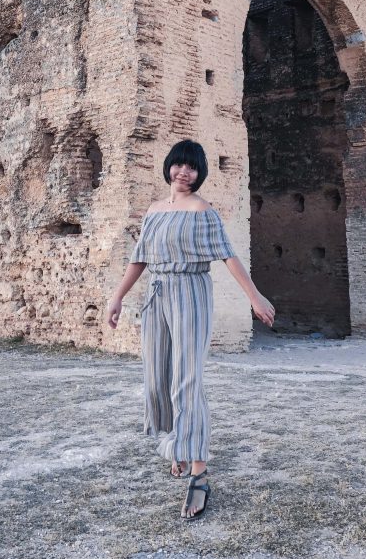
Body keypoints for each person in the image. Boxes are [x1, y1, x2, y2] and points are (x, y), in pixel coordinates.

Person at [106, 139, 275, 520]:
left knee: (187, 381)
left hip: (191, 293)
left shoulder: (204, 211)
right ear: (169, 166)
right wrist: (117, 297)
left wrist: (254, 297)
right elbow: (140, 259)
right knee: (156, 380)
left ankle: (199, 475)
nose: (184, 172)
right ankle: (176, 445)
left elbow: (228, 256)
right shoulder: (153, 211)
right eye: (180, 165)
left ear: (200, 174)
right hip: (157, 295)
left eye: (192, 168)